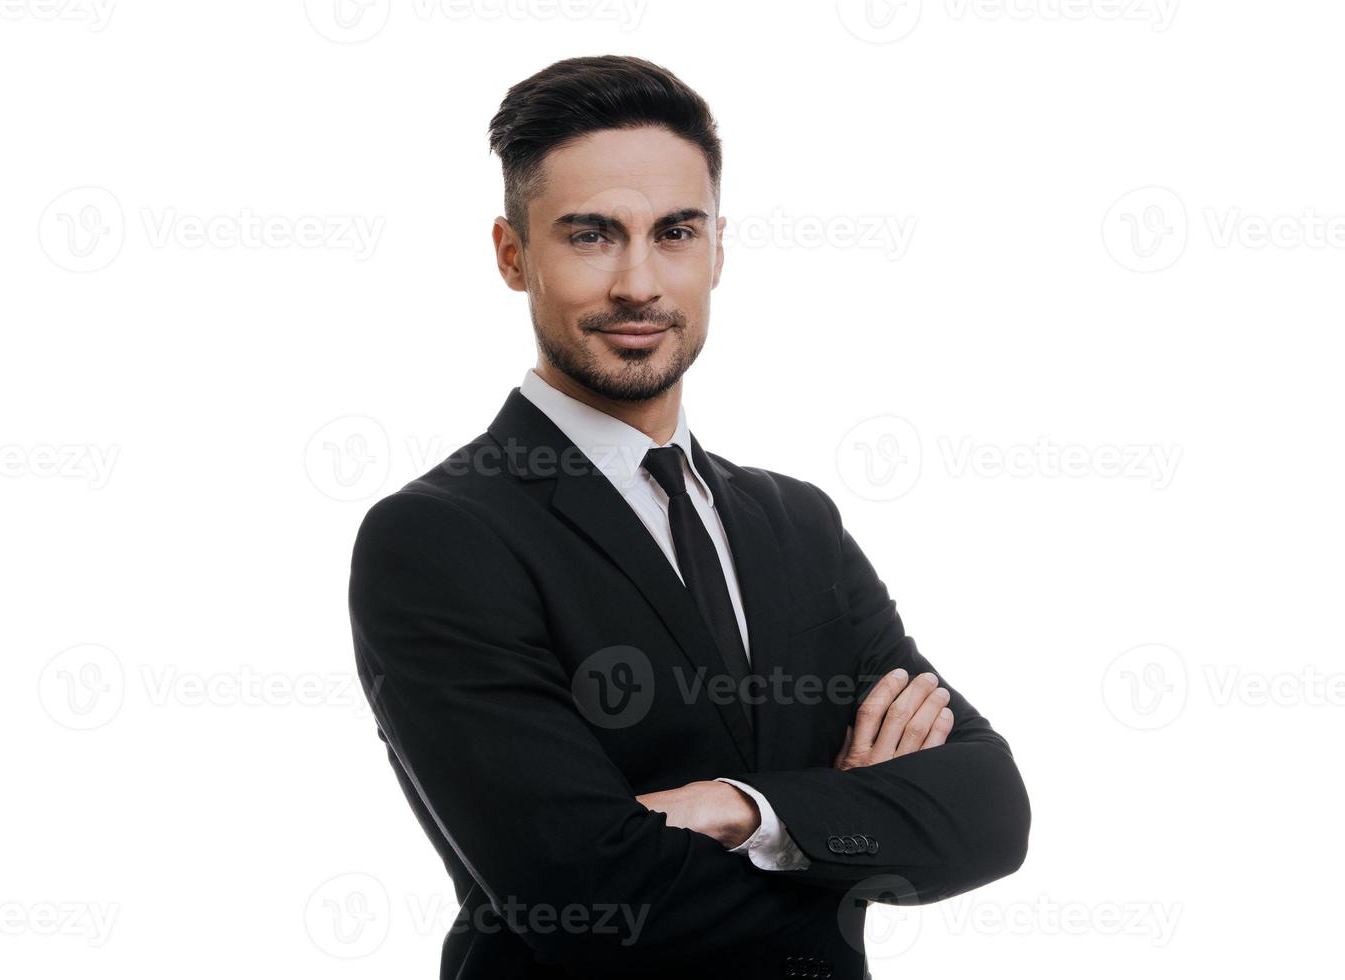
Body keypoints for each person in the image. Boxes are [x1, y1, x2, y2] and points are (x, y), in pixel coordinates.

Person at [348, 53, 1030, 980]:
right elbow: (590, 899)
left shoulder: (797, 525)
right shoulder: (439, 538)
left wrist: (738, 808)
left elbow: (989, 812)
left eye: (674, 232)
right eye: (590, 236)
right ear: (514, 256)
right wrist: (840, 822)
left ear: (716, 248)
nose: (639, 282)